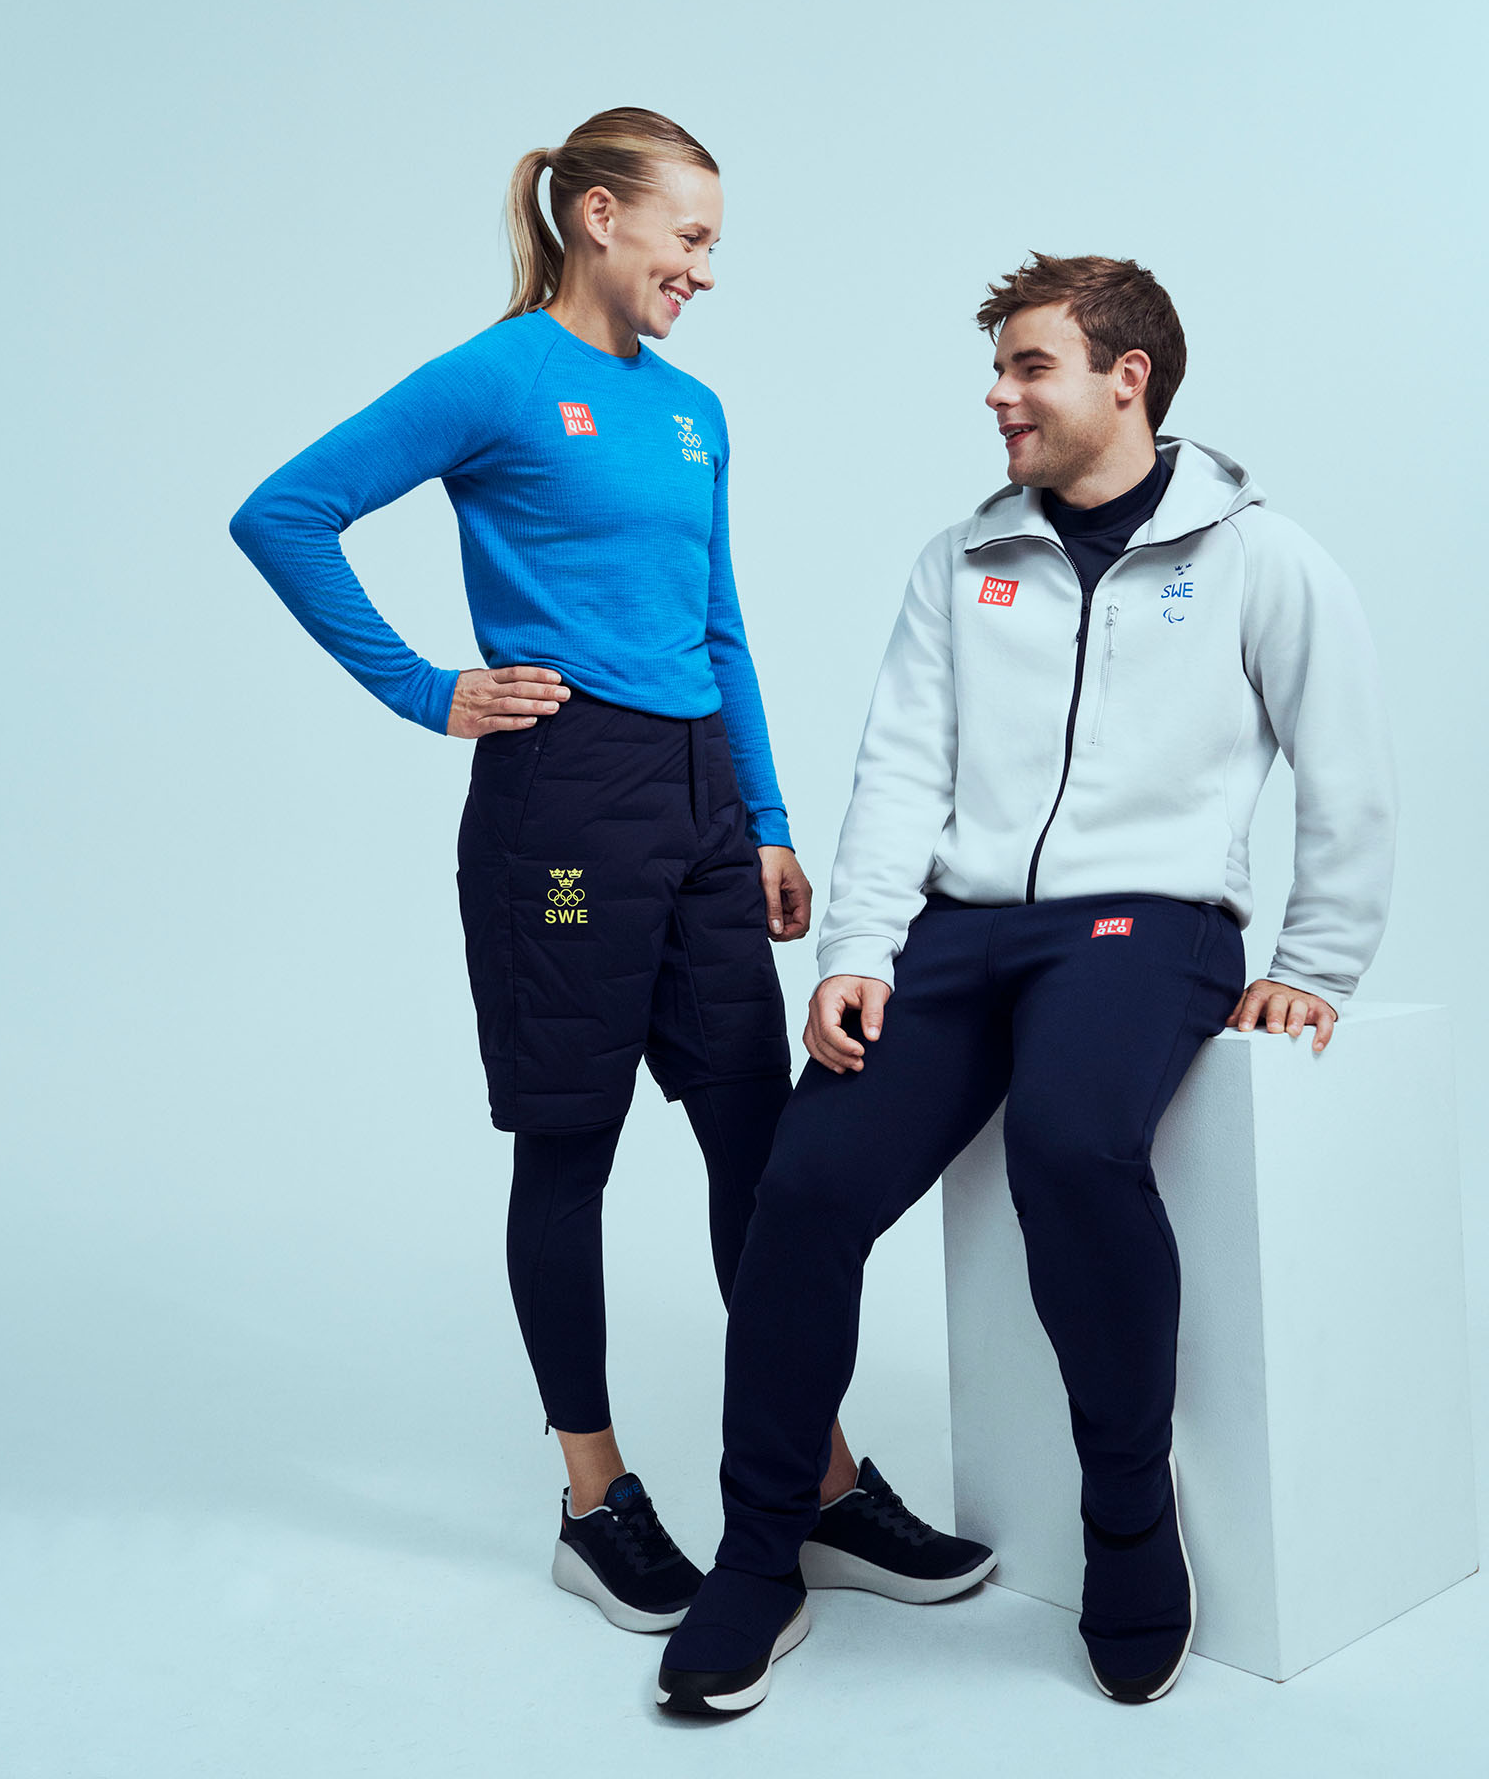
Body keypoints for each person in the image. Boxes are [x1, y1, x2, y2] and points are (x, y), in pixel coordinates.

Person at [228, 108, 992, 1635]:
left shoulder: (696, 410)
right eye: (689, 236)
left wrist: (764, 817)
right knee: (569, 1146)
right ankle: (597, 1504)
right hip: (565, 811)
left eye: (713, 244)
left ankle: (819, 1481)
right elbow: (284, 514)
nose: (705, 269)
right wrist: (425, 688)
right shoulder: (501, 376)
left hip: (701, 805)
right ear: (597, 216)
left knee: (760, 1148)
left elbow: (719, 620)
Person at [657, 253, 1398, 1714]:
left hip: (1152, 923)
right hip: (961, 930)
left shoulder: (1259, 557)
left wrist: (1316, 964)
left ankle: (1128, 1516)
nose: (998, 396)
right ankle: (762, 1548)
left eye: (1029, 367)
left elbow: (1349, 767)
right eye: (997, 369)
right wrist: (857, 950)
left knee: (1070, 1144)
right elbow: (899, 767)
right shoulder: (963, 558)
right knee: (805, 1185)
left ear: (1128, 378)